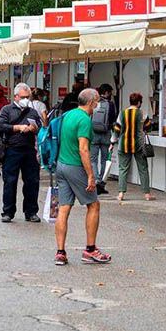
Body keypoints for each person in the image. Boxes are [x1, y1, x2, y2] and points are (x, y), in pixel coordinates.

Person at [54, 88, 112, 266]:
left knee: (64, 208)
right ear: (92, 102)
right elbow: (83, 149)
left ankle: (60, 252)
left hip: (61, 165)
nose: (99, 104)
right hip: (76, 167)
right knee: (93, 205)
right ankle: (90, 249)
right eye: (97, 100)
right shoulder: (85, 120)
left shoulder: (69, 115)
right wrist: (91, 175)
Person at [0, 83, 42, 222]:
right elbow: (1, 126)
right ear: (16, 96)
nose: (26, 100)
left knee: (32, 182)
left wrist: (34, 128)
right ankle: (8, 212)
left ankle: (31, 211)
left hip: (29, 150)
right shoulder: (7, 110)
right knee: (10, 181)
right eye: (23, 97)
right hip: (12, 149)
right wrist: (17, 127)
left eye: (28, 97)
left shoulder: (32, 111)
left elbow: (39, 126)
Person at [110, 93, 154, 201]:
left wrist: (112, 142)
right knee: (143, 169)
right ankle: (147, 194)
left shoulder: (122, 113)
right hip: (139, 145)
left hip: (124, 145)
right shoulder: (142, 113)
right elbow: (149, 128)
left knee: (123, 169)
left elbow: (117, 129)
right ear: (138, 102)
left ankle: (121, 194)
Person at [90, 84, 117, 195]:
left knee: (93, 160)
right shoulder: (110, 104)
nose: (111, 94)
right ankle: (101, 183)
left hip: (93, 134)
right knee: (104, 160)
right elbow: (113, 119)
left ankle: (95, 180)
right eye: (110, 92)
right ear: (106, 92)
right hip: (106, 134)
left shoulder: (94, 103)